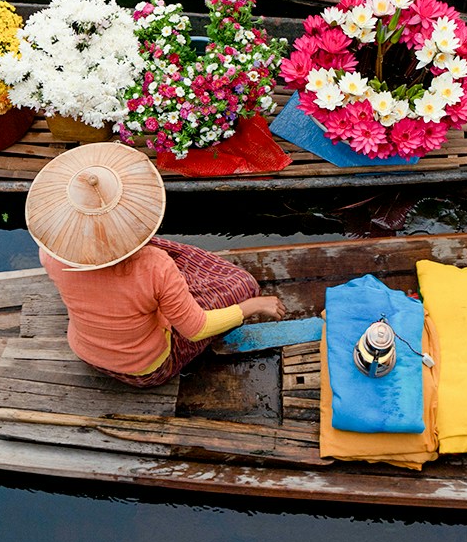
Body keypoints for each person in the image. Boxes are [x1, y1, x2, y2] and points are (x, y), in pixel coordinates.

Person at [26, 142, 284, 387]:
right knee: (242, 285)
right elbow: (197, 329)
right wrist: (253, 306)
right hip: (148, 370)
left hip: (86, 351)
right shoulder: (153, 265)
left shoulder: (51, 253)